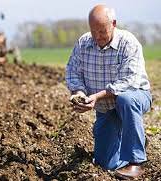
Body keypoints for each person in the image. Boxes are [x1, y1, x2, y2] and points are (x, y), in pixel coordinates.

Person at [65, 4, 152, 180]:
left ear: (113, 23)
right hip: (106, 108)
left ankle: (135, 161)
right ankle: (130, 139)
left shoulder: (128, 43)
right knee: (106, 164)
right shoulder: (83, 43)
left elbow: (128, 82)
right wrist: (79, 93)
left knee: (126, 100)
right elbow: (73, 71)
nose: (97, 36)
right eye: (93, 31)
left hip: (134, 96)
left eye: (102, 31)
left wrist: (96, 96)